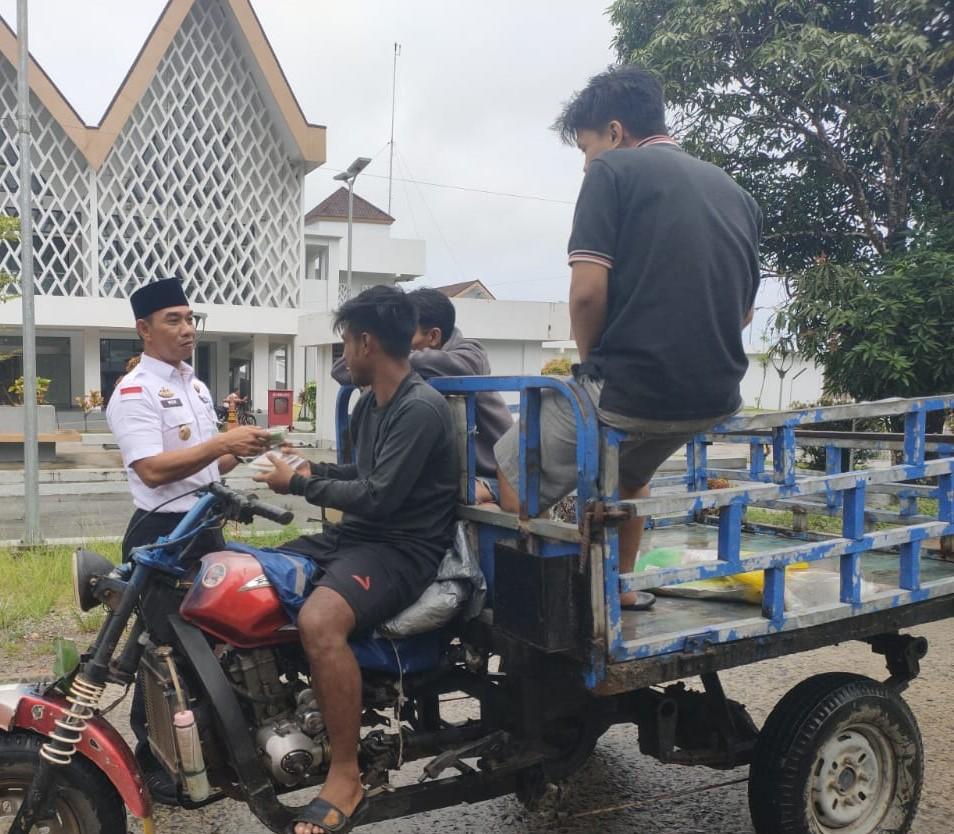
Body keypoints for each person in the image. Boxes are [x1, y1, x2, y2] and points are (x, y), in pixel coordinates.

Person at [494, 66, 762, 610]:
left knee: (508, 463)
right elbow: (743, 315)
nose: (586, 162)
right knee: (631, 472)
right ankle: (621, 587)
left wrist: (591, 368)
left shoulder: (613, 172)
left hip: (629, 391)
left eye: (586, 148)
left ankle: (540, 599)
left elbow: (587, 294)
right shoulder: (736, 193)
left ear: (614, 133)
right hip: (714, 396)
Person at [254, 284, 458, 834]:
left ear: (366, 341)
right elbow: (359, 475)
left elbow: (379, 496)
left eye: (345, 342)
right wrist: (313, 470)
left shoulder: (420, 408)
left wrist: (298, 484)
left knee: (321, 620)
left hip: (402, 550)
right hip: (363, 538)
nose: (343, 354)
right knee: (250, 576)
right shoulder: (374, 403)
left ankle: (345, 774)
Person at [105, 276, 271, 801]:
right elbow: (153, 471)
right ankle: (148, 763)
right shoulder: (135, 392)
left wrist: (242, 450)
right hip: (162, 532)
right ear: (144, 329)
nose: (187, 329)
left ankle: (212, 750)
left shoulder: (194, 387)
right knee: (165, 649)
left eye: (190, 318)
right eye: (173, 320)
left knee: (216, 643)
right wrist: (223, 440)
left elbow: (208, 465)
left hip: (204, 524)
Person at [331, 286, 511, 503]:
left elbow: (466, 368)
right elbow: (343, 369)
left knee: (452, 496)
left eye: (405, 335)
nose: (397, 339)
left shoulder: (470, 352)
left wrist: (390, 357)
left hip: (495, 475)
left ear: (434, 336)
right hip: (450, 471)